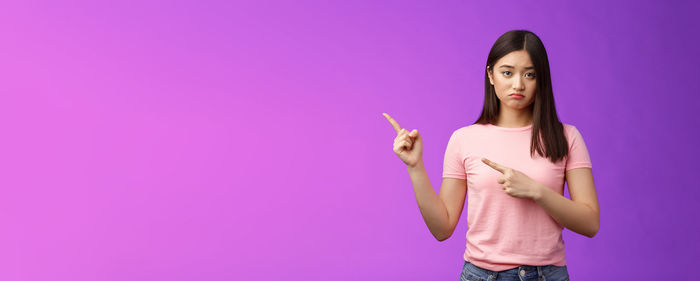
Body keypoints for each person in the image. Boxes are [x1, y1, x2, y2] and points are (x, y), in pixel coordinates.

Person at [382, 30, 599, 281]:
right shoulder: (464, 139)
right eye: (507, 72)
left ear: (541, 80)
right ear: (491, 75)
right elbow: (442, 228)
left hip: (546, 275)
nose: (518, 84)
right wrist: (415, 166)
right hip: (480, 275)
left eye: (530, 74)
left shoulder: (566, 137)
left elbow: (590, 223)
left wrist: (536, 191)